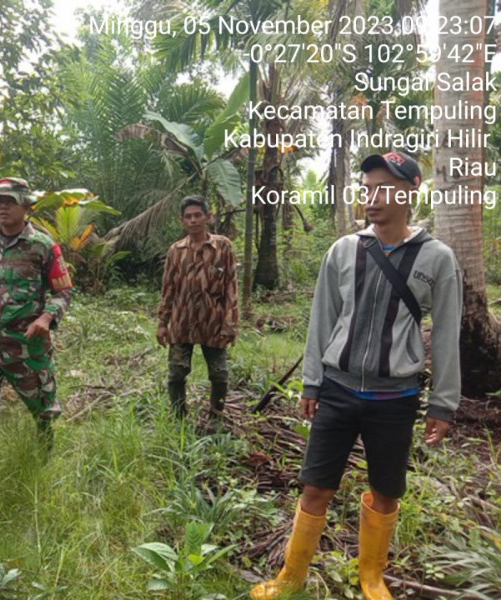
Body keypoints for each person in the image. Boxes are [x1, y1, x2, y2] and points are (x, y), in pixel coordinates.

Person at [250, 152, 462, 600]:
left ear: (411, 191)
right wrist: (312, 381)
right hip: (339, 390)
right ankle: (291, 576)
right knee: (315, 487)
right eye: (367, 189)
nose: (373, 198)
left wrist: (443, 402)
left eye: (384, 188)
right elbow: (322, 320)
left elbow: (446, 334)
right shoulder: (344, 251)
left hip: (396, 398)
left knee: (385, 492)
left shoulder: (437, 259)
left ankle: (371, 578)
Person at [0, 177, 72, 464]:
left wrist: (46, 317)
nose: (2, 207)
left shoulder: (43, 246)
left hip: (26, 347)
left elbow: (64, 290)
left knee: (42, 410)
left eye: (10, 202)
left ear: (27, 206)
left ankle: (45, 456)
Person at [156, 195, 238, 420]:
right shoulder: (176, 251)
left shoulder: (223, 247)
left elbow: (231, 286)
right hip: (182, 321)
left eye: (197, 215)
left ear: (207, 217)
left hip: (214, 321)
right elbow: (168, 287)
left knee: (219, 374)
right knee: (176, 373)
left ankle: (215, 417)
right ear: (182, 221)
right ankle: (179, 418)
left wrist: (230, 323)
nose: (193, 220)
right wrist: (162, 323)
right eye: (188, 217)